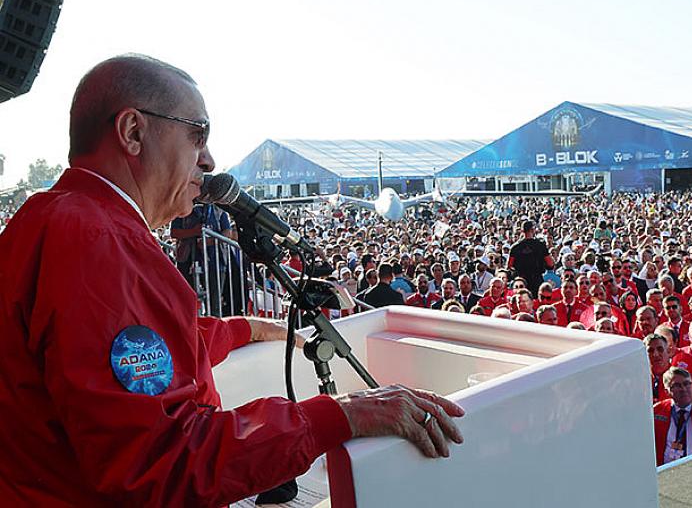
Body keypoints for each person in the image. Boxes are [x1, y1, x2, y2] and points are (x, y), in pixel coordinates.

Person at [0, 55, 464, 505]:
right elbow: (161, 463)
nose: (209, 159)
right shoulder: (100, 242)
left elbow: (131, 352)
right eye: (198, 134)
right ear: (133, 132)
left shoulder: (48, 221)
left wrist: (246, 328)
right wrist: (339, 415)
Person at [508, 220, 555, 297]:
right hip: (536, 280)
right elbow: (550, 263)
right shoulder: (540, 245)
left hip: (521, 281)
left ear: (522, 230)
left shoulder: (515, 247)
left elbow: (510, 265)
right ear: (533, 230)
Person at [644, 334, 672, 403]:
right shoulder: (640, 380)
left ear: (668, 351)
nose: (655, 354)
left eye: (660, 349)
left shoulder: (679, 378)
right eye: (650, 351)